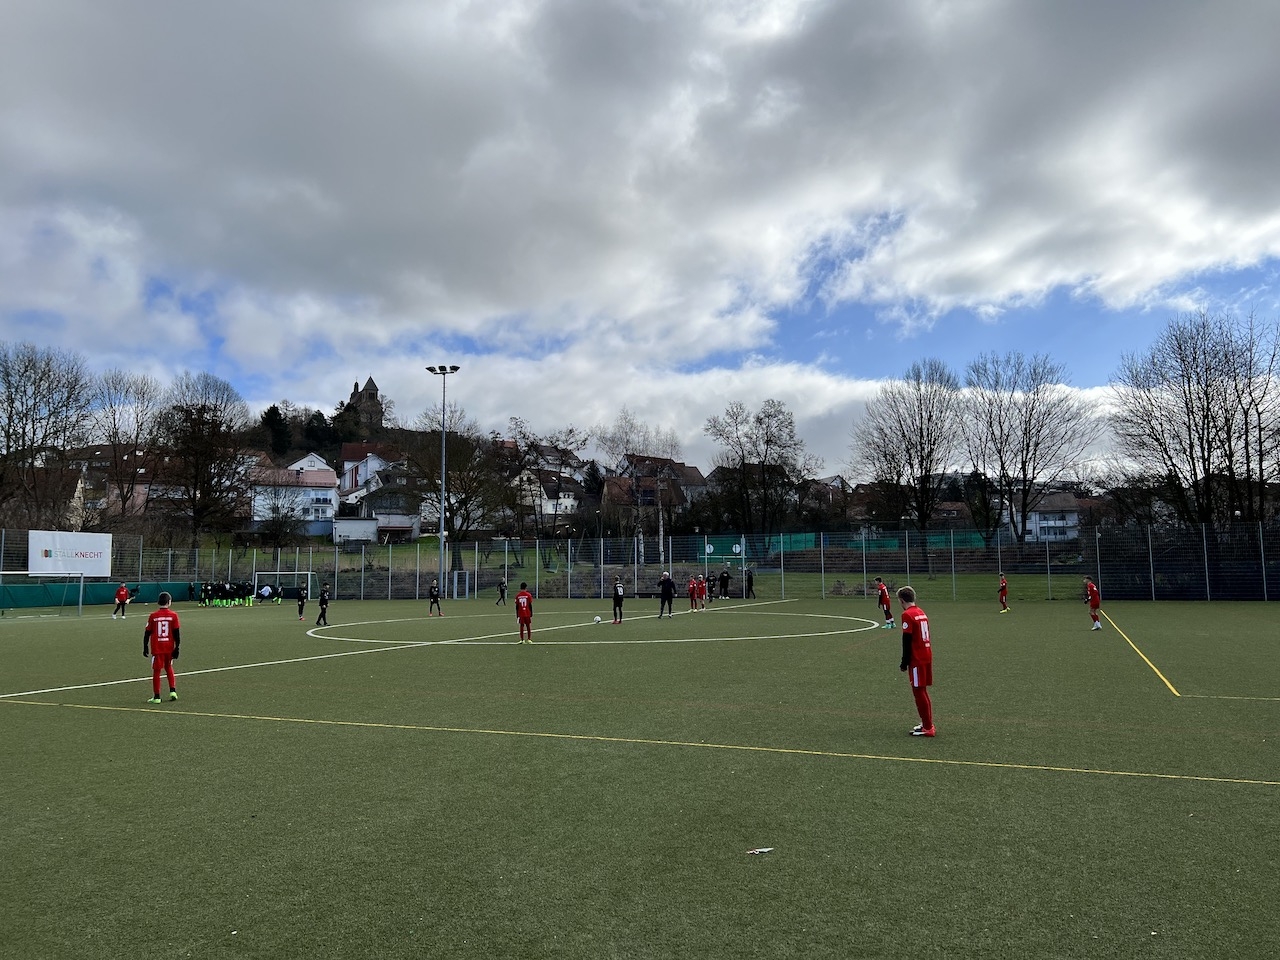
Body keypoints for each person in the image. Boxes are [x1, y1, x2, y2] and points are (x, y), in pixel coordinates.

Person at [897, 585, 935, 737]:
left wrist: (904, 662)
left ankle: (928, 727)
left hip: (917, 658)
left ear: (901, 600)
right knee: (922, 690)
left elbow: (906, 640)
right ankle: (926, 723)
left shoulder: (907, 615)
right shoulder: (920, 612)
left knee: (918, 691)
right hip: (926, 654)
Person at [143, 591, 181, 704]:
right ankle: (172, 691)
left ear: (158, 602)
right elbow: (177, 633)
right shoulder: (173, 615)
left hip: (157, 648)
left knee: (157, 671)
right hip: (169, 647)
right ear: (169, 602)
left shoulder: (153, 616)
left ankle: (157, 696)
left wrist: (145, 646)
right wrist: (177, 647)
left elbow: (147, 633)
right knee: (169, 667)